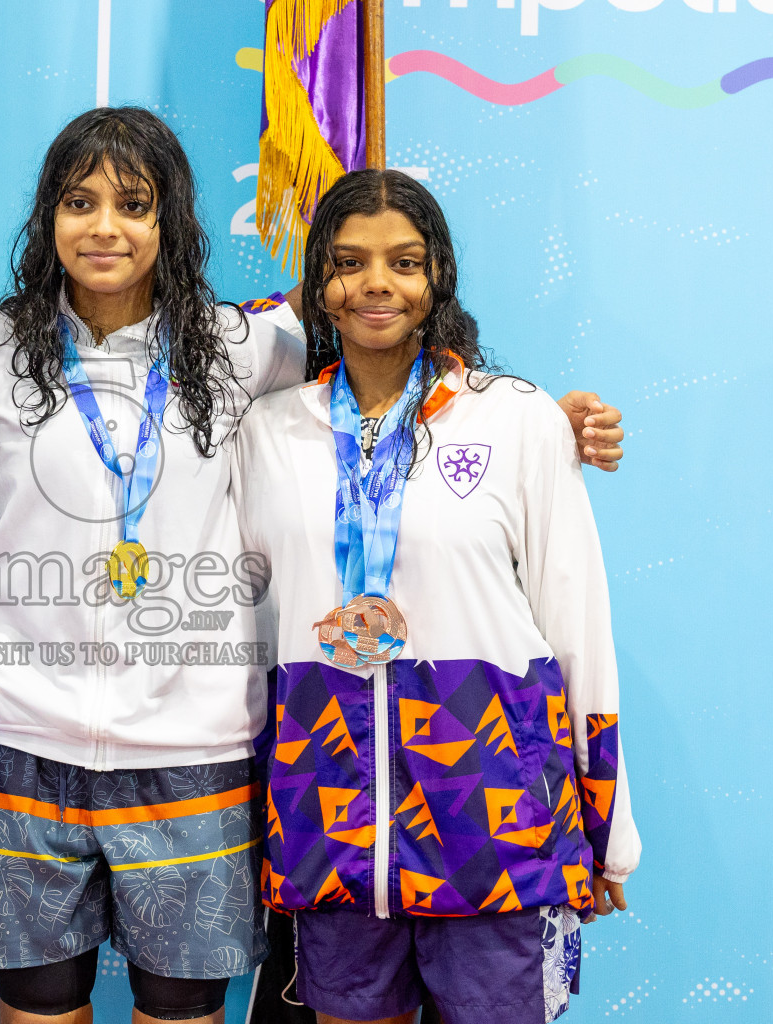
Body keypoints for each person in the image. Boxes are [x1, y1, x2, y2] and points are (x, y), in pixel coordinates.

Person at [0, 108, 626, 1024]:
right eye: (80, 201)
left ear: (168, 220)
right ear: (49, 217)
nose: (105, 226)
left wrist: (545, 417)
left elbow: (384, 330)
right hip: (22, 746)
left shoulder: (246, 346)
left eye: (133, 205)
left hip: (193, 753)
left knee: (182, 1011)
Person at [233, 168, 640, 1024]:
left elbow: (577, 627)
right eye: (349, 263)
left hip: (492, 816)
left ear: (438, 278)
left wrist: (607, 828)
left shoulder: (519, 419)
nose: (376, 284)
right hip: (329, 818)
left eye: (405, 262)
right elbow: (253, 626)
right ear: (319, 283)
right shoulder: (269, 432)